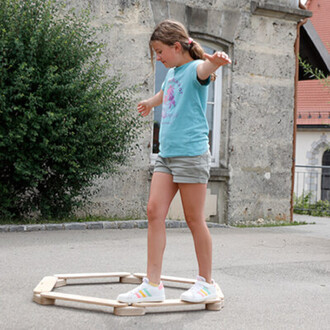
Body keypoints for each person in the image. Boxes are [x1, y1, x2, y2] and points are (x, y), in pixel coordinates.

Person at [117, 19, 231, 304]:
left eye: (159, 51)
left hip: (191, 156)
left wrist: (215, 62)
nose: (157, 57)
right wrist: (150, 103)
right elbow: (165, 93)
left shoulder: (194, 69)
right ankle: (152, 284)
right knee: (154, 211)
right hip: (166, 155)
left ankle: (207, 283)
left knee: (194, 220)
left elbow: (205, 70)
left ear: (176, 46)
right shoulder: (173, 73)